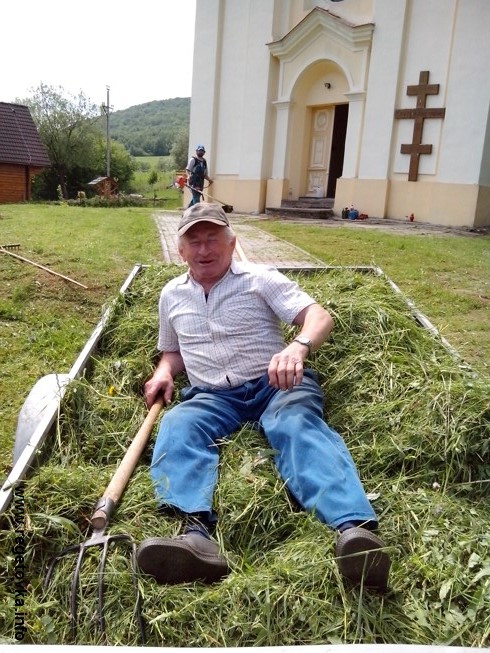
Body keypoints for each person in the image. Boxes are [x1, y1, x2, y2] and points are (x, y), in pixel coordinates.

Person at [137, 202, 391, 591]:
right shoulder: (171, 295)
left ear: (232, 242)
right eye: (195, 242)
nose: (205, 250)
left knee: (294, 424)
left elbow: (318, 317)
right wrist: (163, 371)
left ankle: (353, 533)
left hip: (275, 384)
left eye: (213, 240)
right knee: (177, 424)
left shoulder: (260, 278)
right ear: (180, 251)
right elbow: (172, 351)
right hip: (211, 395)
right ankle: (195, 536)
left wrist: (297, 348)